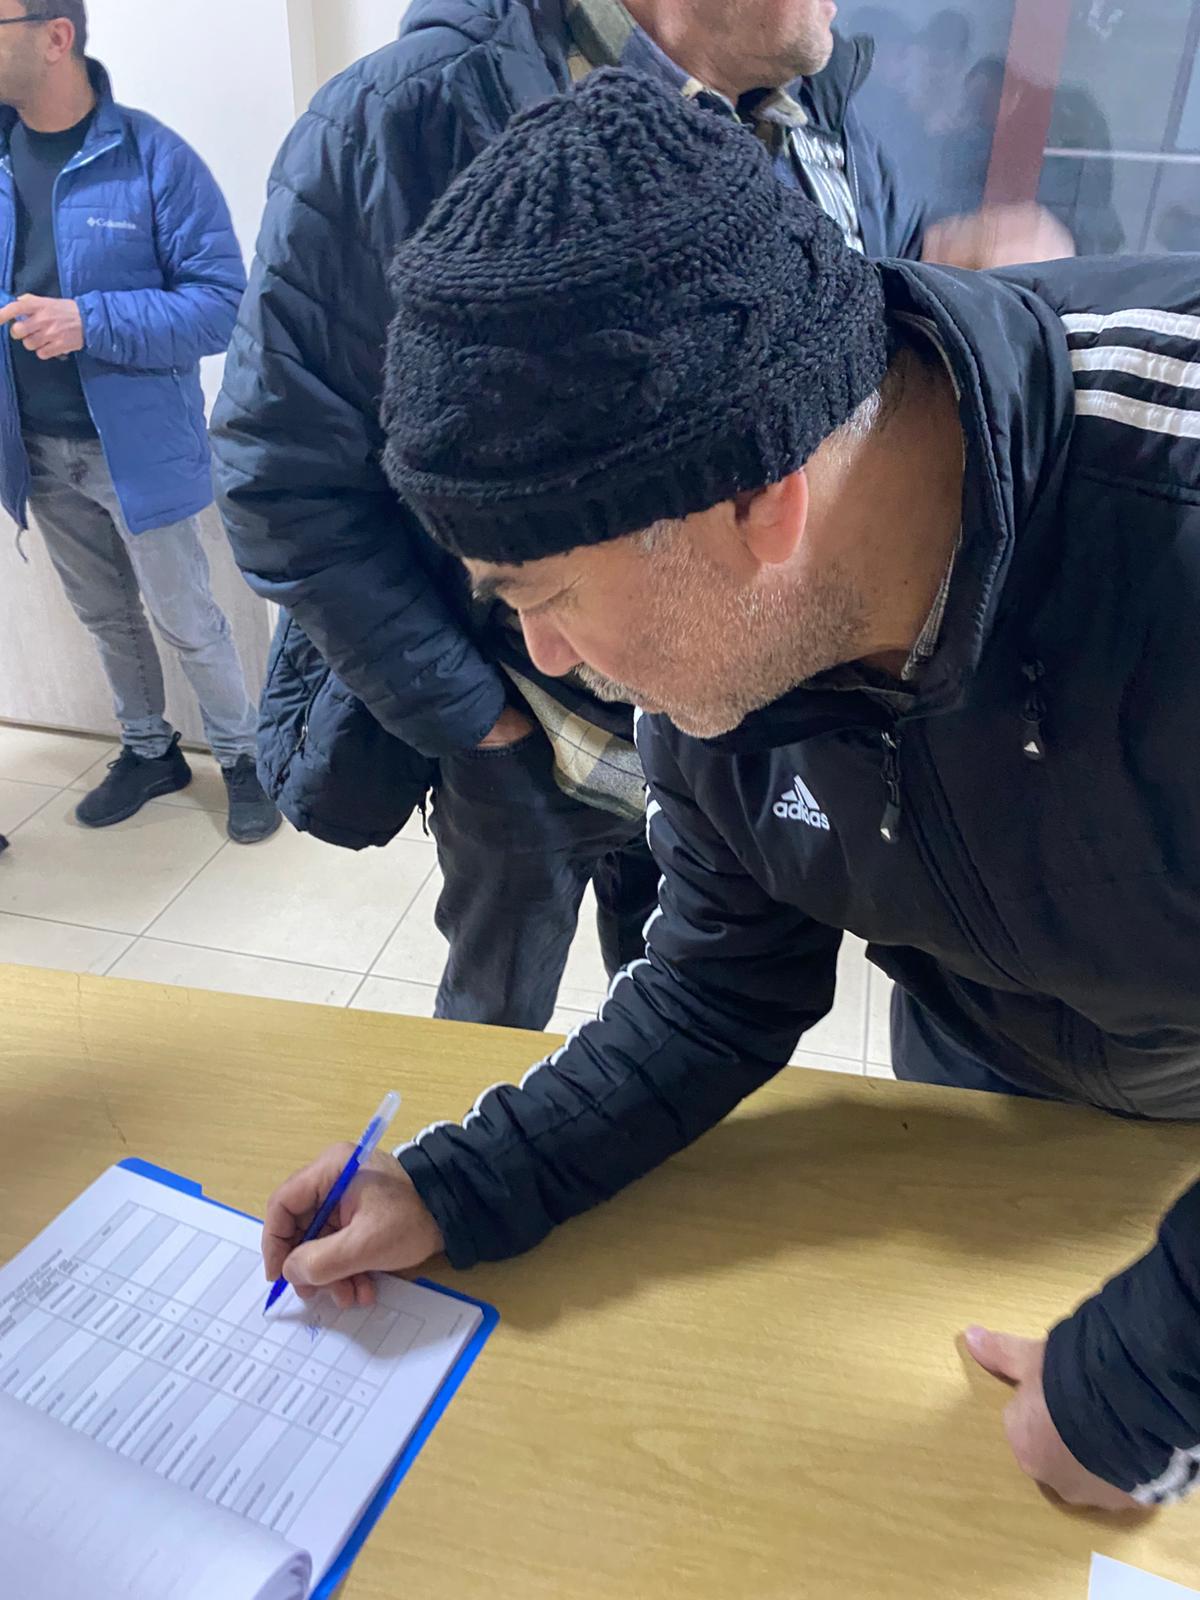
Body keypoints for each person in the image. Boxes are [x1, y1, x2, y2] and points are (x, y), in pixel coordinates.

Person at [265, 72, 1200, 1514]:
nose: (547, 660)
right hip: (996, 1088)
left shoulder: (1168, 502)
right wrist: (463, 1183)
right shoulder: (721, 659)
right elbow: (718, 988)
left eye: (547, 597)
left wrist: (1144, 1382)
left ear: (763, 503)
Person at [214, 0, 1068, 1030]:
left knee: (678, 996)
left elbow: (825, 382)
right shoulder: (403, 119)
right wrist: (475, 719)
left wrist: (934, 290)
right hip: (531, 737)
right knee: (495, 1004)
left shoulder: (824, 118)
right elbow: (279, 479)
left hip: (732, 727)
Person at [0, 0, 279, 843]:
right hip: (33, 448)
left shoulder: (153, 157)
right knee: (103, 616)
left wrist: (90, 319)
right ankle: (149, 750)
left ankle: (244, 760)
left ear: (56, 36)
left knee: (185, 616)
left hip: (135, 451)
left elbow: (221, 306)